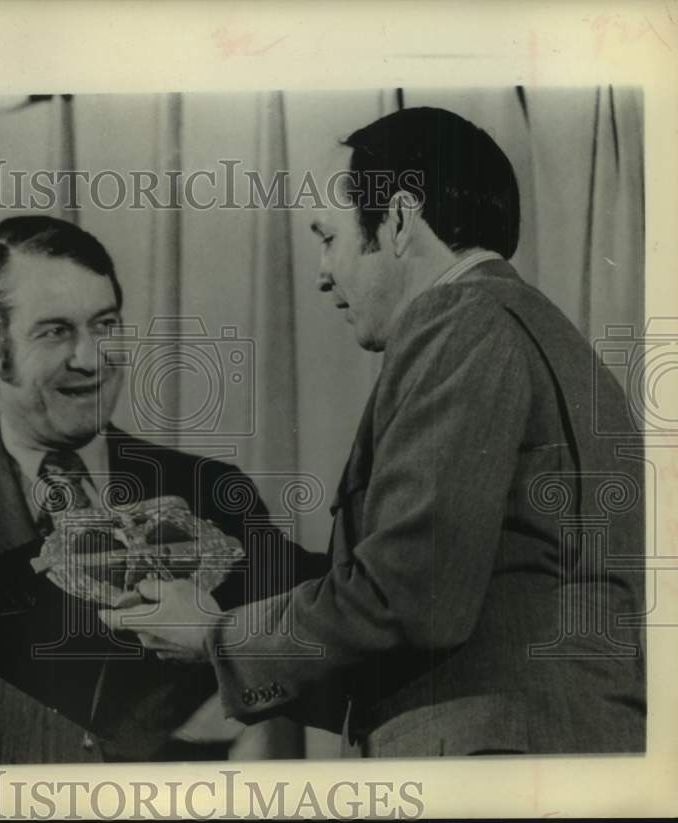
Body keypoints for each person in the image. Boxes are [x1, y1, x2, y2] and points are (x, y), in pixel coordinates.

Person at [104, 107, 646, 756]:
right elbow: (458, 617)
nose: (322, 274)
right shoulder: (546, 337)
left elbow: (409, 594)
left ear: (396, 220)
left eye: (328, 238)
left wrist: (213, 635)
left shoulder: (460, 321)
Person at [0, 215, 322, 766]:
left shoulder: (212, 493)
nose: (91, 358)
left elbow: (293, 668)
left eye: (105, 325)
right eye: (56, 331)